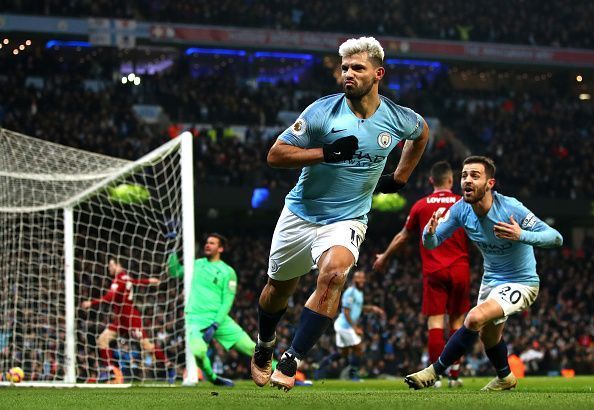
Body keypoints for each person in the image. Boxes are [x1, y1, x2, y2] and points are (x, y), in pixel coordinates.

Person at [250, 36, 429, 392]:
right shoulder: (322, 111)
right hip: (300, 214)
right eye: (344, 68)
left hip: (347, 219)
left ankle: (292, 357)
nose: (348, 74)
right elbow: (275, 154)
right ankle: (265, 344)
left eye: (357, 68)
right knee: (276, 291)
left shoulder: (396, 118)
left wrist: (403, 175)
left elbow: (421, 132)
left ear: (378, 74)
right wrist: (325, 153)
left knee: (333, 275)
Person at [404, 156, 563, 391]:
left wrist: (522, 235)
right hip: (491, 281)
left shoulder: (511, 208)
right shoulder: (460, 210)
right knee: (489, 337)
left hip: (522, 282)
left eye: (475, 176)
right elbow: (432, 243)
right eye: (464, 175)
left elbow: (556, 238)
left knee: (474, 318)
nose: (467, 180)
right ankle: (505, 378)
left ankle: (434, 371)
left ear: (490, 183)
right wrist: (429, 232)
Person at [373, 161, 470, 387]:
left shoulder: (421, 205)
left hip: (434, 270)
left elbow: (403, 236)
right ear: (451, 180)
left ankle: (434, 377)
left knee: (435, 323)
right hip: (460, 268)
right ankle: (454, 376)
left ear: (430, 181)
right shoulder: (462, 202)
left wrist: (384, 257)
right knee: (457, 322)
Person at [167, 233, 257, 387]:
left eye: (212, 243)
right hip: (195, 318)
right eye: (207, 242)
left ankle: (285, 374)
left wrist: (215, 324)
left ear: (220, 248)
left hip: (219, 319)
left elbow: (227, 301)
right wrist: (171, 249)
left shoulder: (228, 272)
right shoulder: (196, 264)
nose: (207, 245)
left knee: (252, 348)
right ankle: (213, 378)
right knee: (199, 351)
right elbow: (174, 272)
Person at [81, 258, 175, 383]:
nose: (109, 268)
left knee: (146, 346)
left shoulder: (119, 279)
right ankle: (113, 372)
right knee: (102, 340)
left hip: (131, 319)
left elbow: (110, 297)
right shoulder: (125, 277)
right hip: (120, 320)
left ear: (118, 265)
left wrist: (91, 303)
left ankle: (169, 366)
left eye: (111, 265)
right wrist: (148, 281)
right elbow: (135, 281)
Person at [316, 270, 385, 380]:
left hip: (345, 326)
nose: (361, 280)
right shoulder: (350, 292)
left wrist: (372, 308)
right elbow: (346, 311)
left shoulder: (359, 293)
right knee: (359, 349)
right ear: (354, 279)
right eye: (359, 278)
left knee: (344, 353)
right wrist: (355, 328)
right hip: (344, 326)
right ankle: (353, 376)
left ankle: (321, 365)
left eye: (363, 278)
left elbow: (358, 308)